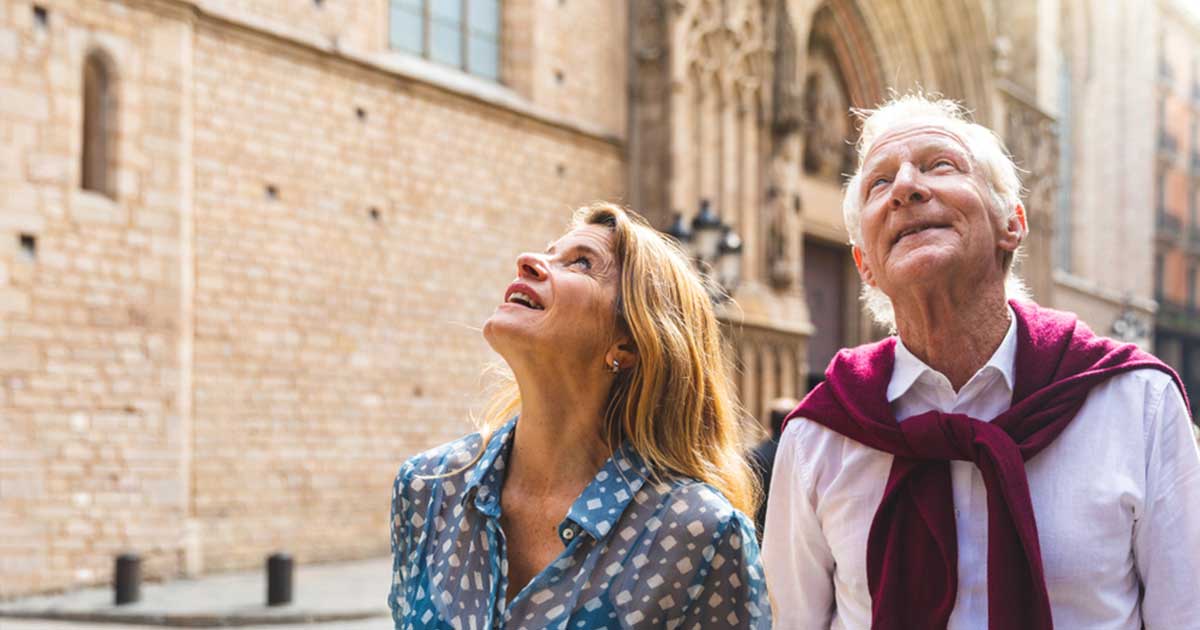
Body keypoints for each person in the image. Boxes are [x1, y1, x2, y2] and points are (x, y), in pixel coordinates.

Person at [763, 94, 1200, 630]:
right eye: (880, 183)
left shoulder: (1137, 404)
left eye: (939, 165)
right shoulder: (819, 436)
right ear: (866, 266)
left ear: (1012, 224)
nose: (905, 187)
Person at [390, 202, 771, 629]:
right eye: (549, 252)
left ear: (627, 345)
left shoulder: (699, 534)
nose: (528, 261)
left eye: (582, 263)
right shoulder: (428, 488)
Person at [748, 397, 798, 536]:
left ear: (769, 425)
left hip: (763, 533)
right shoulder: (804, 456)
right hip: (794, 533)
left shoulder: (754, 456)